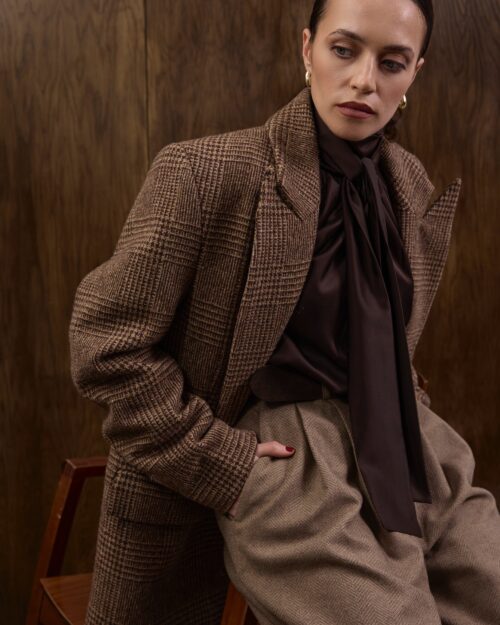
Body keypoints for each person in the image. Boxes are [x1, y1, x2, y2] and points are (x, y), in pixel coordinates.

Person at [68, 0, 500, 624]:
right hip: (280, 459)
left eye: (392, 62)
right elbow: (104, 346)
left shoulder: (407, 181)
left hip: (408, 447)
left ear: (414, 73)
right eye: (344, 50)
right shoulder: (208, 172)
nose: (364, 81)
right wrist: (226, 465)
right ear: (307, 49)